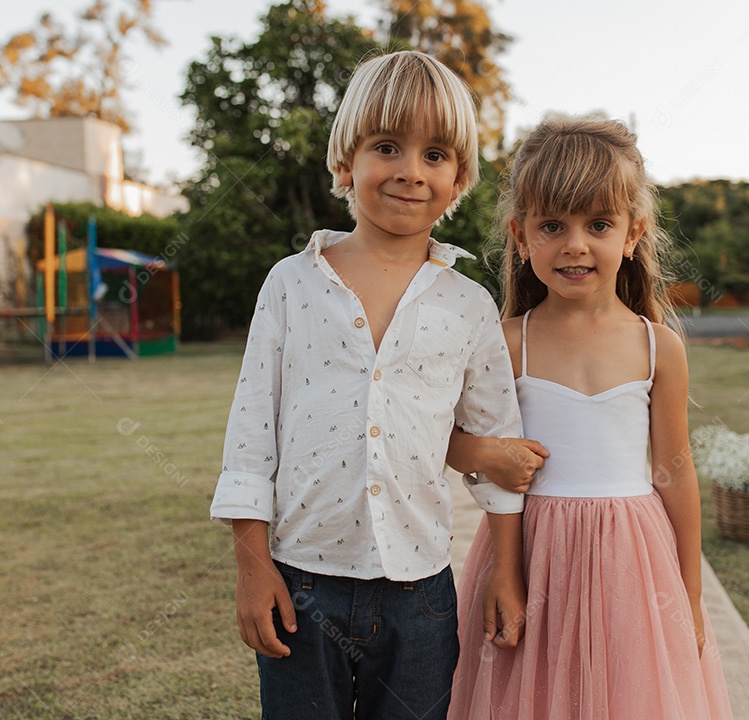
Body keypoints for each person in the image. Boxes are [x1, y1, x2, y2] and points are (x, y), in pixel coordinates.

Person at [209, 50, 535, 720]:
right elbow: (251, 437)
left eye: (437, 154)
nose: (412, 171)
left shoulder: (470, 306)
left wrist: (507, 570)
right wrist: (251, 565)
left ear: (460, 176)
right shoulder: (291, 285)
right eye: (388, 146)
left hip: (422, 594)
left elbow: (497, 449)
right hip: (301, 585)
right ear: (345, 161)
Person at [446, 115, 733, 719]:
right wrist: (475, 458)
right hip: (530, 553)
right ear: (521, 237)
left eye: (598, 224)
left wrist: (692, 594)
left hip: (633, 561)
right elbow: (450, 437)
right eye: (553, 225)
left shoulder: (659, 348)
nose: (575, 243)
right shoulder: (504, 341)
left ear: (633, 233)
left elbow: (675, 474)